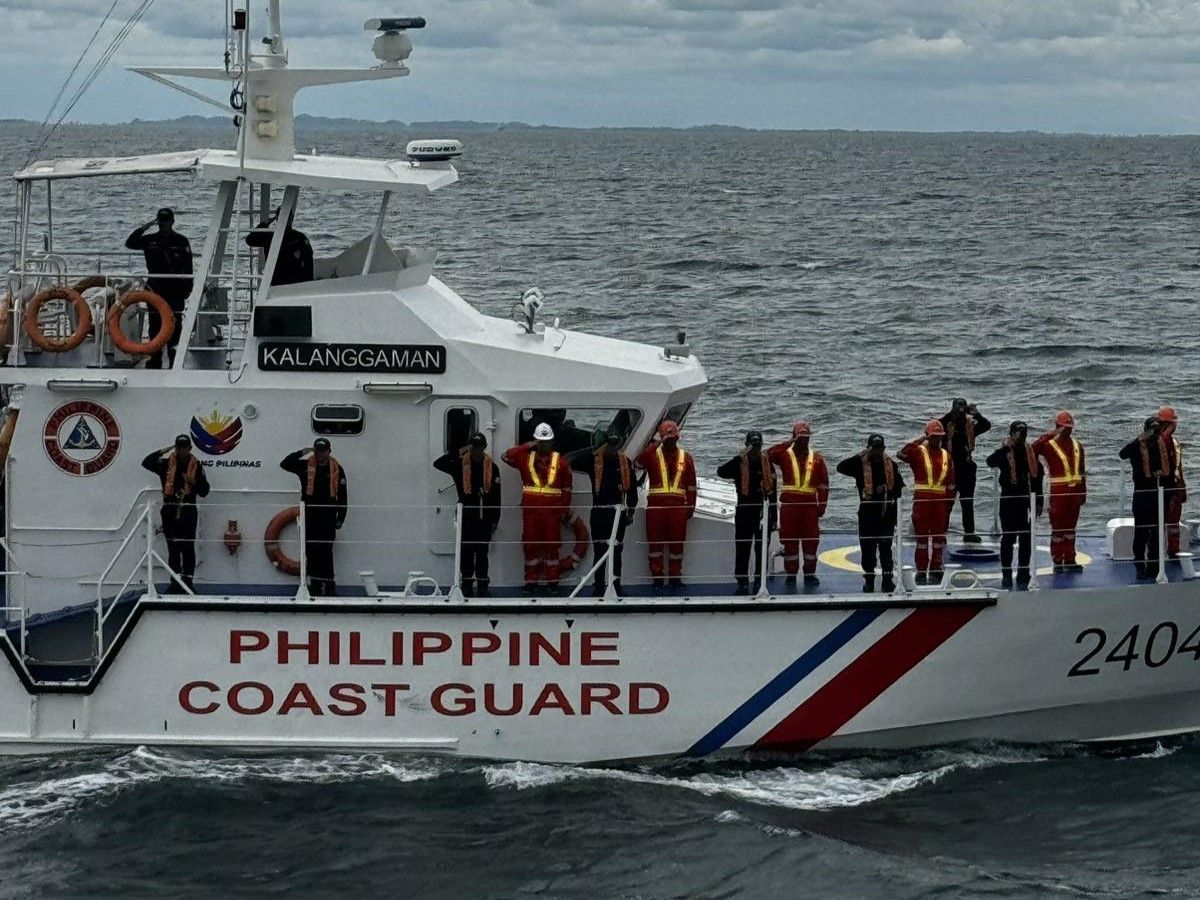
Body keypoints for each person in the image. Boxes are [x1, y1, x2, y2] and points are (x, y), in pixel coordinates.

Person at [502, 423, 573, 594]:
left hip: (552, 514)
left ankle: (553, 582)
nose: (543, 444)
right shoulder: (525, 459)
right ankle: (531, 582)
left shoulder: (561, 462)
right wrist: (528, 445)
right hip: (531, 513)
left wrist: (564, 510)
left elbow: (567, 488)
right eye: (540, 441)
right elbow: (506, 456)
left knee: (552, 547)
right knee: (530, 546)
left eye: (546, 441)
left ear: (552, 442)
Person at [433, 432, 502, 597]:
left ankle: (483, 584)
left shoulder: (492, 467)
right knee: (466, 550)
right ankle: (467, 584)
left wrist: (494, 519)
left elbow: (497, 495)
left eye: (479, 447)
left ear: (484, 447)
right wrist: (459, 451)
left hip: (484, 514)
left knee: (482, 551)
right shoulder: (458, 464)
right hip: (466, 513)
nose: (477, 450)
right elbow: (438, 463)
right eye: (474, 447)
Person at [125, 207, 193, 369]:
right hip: (156, 286)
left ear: (172, 222)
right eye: (161, 221)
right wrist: (146, 226)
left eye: (166, 221)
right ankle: (155, 357)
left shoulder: (181, 241)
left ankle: (174, 356)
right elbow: (130, 243)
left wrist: (188, 287)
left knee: (175, 322)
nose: (164, 224)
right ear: (158, 222)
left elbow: (188, 266)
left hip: (175, 287)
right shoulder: (150, 240)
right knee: (155, 323)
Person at [141, 434, 210, 592]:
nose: (182, 450)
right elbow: (146, 462)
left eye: (184, 447)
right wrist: (165, 450)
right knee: (173, 547)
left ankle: (188, 581)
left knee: (188, 548)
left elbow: (205, 491)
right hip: (170, 509)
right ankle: (175, 581)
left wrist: (194, 483)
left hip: (188, 510)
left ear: (190, 448)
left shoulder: (197, 467)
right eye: (179, 447)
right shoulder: (165, 465)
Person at [574, 428, 638, 597]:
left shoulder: (625, 462)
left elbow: (632, 490)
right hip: (599, 513)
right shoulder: (592, 461)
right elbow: (570, 460)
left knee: (617, 551)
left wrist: (631, 511)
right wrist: (594, 448)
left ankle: (616, 584)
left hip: (619, 514)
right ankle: (599, 585)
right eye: (609, 444)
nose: (613, 448)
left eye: (616, 444)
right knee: (600, 550)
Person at [836, 434, 904, 593]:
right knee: (868, 550)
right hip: (867, 514)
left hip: (886, 514)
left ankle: (888, 581)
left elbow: (899, 490)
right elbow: (841, 467)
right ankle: (869, 580)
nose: (877, 452)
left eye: (880, 449)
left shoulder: (892, 465)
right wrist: (861, 454)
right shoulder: (860, 464)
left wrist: (894, 515)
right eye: (874, 449)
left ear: (884, 449)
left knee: (886, 549)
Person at [280, 438, 348, 596]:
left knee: (326, 551)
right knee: (311, 551)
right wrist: (303, 452)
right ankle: (315, 585)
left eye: (323, 451)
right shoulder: (304, 466)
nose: (321, 454)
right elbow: (285, 463)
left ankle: (329, 586)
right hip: (310, 515)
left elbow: (343, 495)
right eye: (317, 451)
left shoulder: (338, 469)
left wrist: (341, 518)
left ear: (329, 451)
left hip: (328, 516)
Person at [636, 420, 697, 591]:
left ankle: (675, 578)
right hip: (656, 508)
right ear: (662, 438)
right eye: (668, 438)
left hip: (678, 508)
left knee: (677, 545)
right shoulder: (652, 454)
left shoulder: (686, 458)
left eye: (673, 437)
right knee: (655, 545)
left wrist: (690, 507)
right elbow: (639, 463)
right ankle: (657, 579)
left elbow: (692, 486)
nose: (671, 440)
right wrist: (656, 444)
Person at [767, 421, 829, 587]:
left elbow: (823, 484)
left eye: (806, 437)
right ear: (794, 437)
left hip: (809, 507)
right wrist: (788, 442)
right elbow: (767, 455)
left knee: (811, 541)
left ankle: (809, 573)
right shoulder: (784, 454)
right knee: (789, 540)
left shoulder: (817, 458)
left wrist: (821, 505)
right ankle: (791, 574)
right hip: (790, 505)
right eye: (800, 437)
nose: (804, 440)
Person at [716, 431, 777, 594]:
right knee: (742, 548)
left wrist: (774, 517)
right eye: (752, 445)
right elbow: (721, 472)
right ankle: (742, 580)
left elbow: (773, 492)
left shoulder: (767, 463)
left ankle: (759, 580)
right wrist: (739, 457)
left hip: (762, 511)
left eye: (758, 445)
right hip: (744, 509)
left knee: (762, 548)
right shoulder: (739, 463)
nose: (756, 449)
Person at [986, 421, 1044, 590]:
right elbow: (990, 461)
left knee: (1026, 539)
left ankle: (1023, 572)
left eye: (1024, 432)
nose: (1021, 435)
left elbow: (1037, 477)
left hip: (1025, 500)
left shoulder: (1030, 453)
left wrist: (1039, 501)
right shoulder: (1004, 452)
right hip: (1008, 499)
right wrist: (1005, 448)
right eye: (1018, 432)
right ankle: (1006, 574)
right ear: (1011, 433)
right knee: (1008, 538)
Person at [897, 421, 956, 584]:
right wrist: (920, 439)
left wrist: (949, 503)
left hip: (940, 503)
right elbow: (902, 453)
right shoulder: (918, 452)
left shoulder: (946, 455)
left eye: (940, 437)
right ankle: (921, 571)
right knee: (922, 539)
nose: (938, 440)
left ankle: (936, 568)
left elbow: (951, 482)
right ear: (929, 436)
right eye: (934, 437)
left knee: (938, 538)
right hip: (923, 502)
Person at [1032, 411, 1087, 573]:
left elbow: (1082, 470)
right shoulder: (1049, 445)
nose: (1067, 431)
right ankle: (1057, 559)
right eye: (1064, 428)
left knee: (1071, 527)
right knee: (1058, 528)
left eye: (1069, 427)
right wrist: (1047, 435)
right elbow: (1033, 449)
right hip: (1059, 492)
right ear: (1057, 427)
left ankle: (1070, 558)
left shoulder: (1077, 445)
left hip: (1075, 492)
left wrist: (1084, 491)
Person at [1119, 416, 1170, 579]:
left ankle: (1154, 565)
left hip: (1158, 493)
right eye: (1153, 429)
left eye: (1158, 429)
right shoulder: (1137, 445)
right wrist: (1140, 438)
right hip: (1141, 493)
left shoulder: (1160, 445)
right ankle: (1139, 564)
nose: (1156, 433)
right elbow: (1122, 454)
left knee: (1157, 531)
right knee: (1141, 532)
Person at [940, 399, 990, 543]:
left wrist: (976, 414)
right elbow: (932, 431)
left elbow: (986, 425)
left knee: (967, 501)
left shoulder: (969, 425)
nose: (960, 416)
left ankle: (969, 533)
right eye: (958, 411)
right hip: (949, 469)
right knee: (947, 502)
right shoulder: (944, 423)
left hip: (967, 468)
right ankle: (941, 532)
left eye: (963, 412)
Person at [246, 210, 314, 286]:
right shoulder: (270, 236)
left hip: (293, 281)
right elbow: (250, 240)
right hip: (278, 281)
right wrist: (264, 224)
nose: (285, 222)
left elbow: (308, 262)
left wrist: (308, 283)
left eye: (287, 218)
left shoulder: (299, 238)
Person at [1158, 407, 1187, 557]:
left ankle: (1174, 550)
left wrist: (1182, 487)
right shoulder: (1156, 442)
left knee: (1173, 523)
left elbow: (1178, 466)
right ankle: (1156, 553)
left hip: (1175, 487)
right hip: (1160, 488)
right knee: (1157, 522)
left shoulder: (1175, 442)